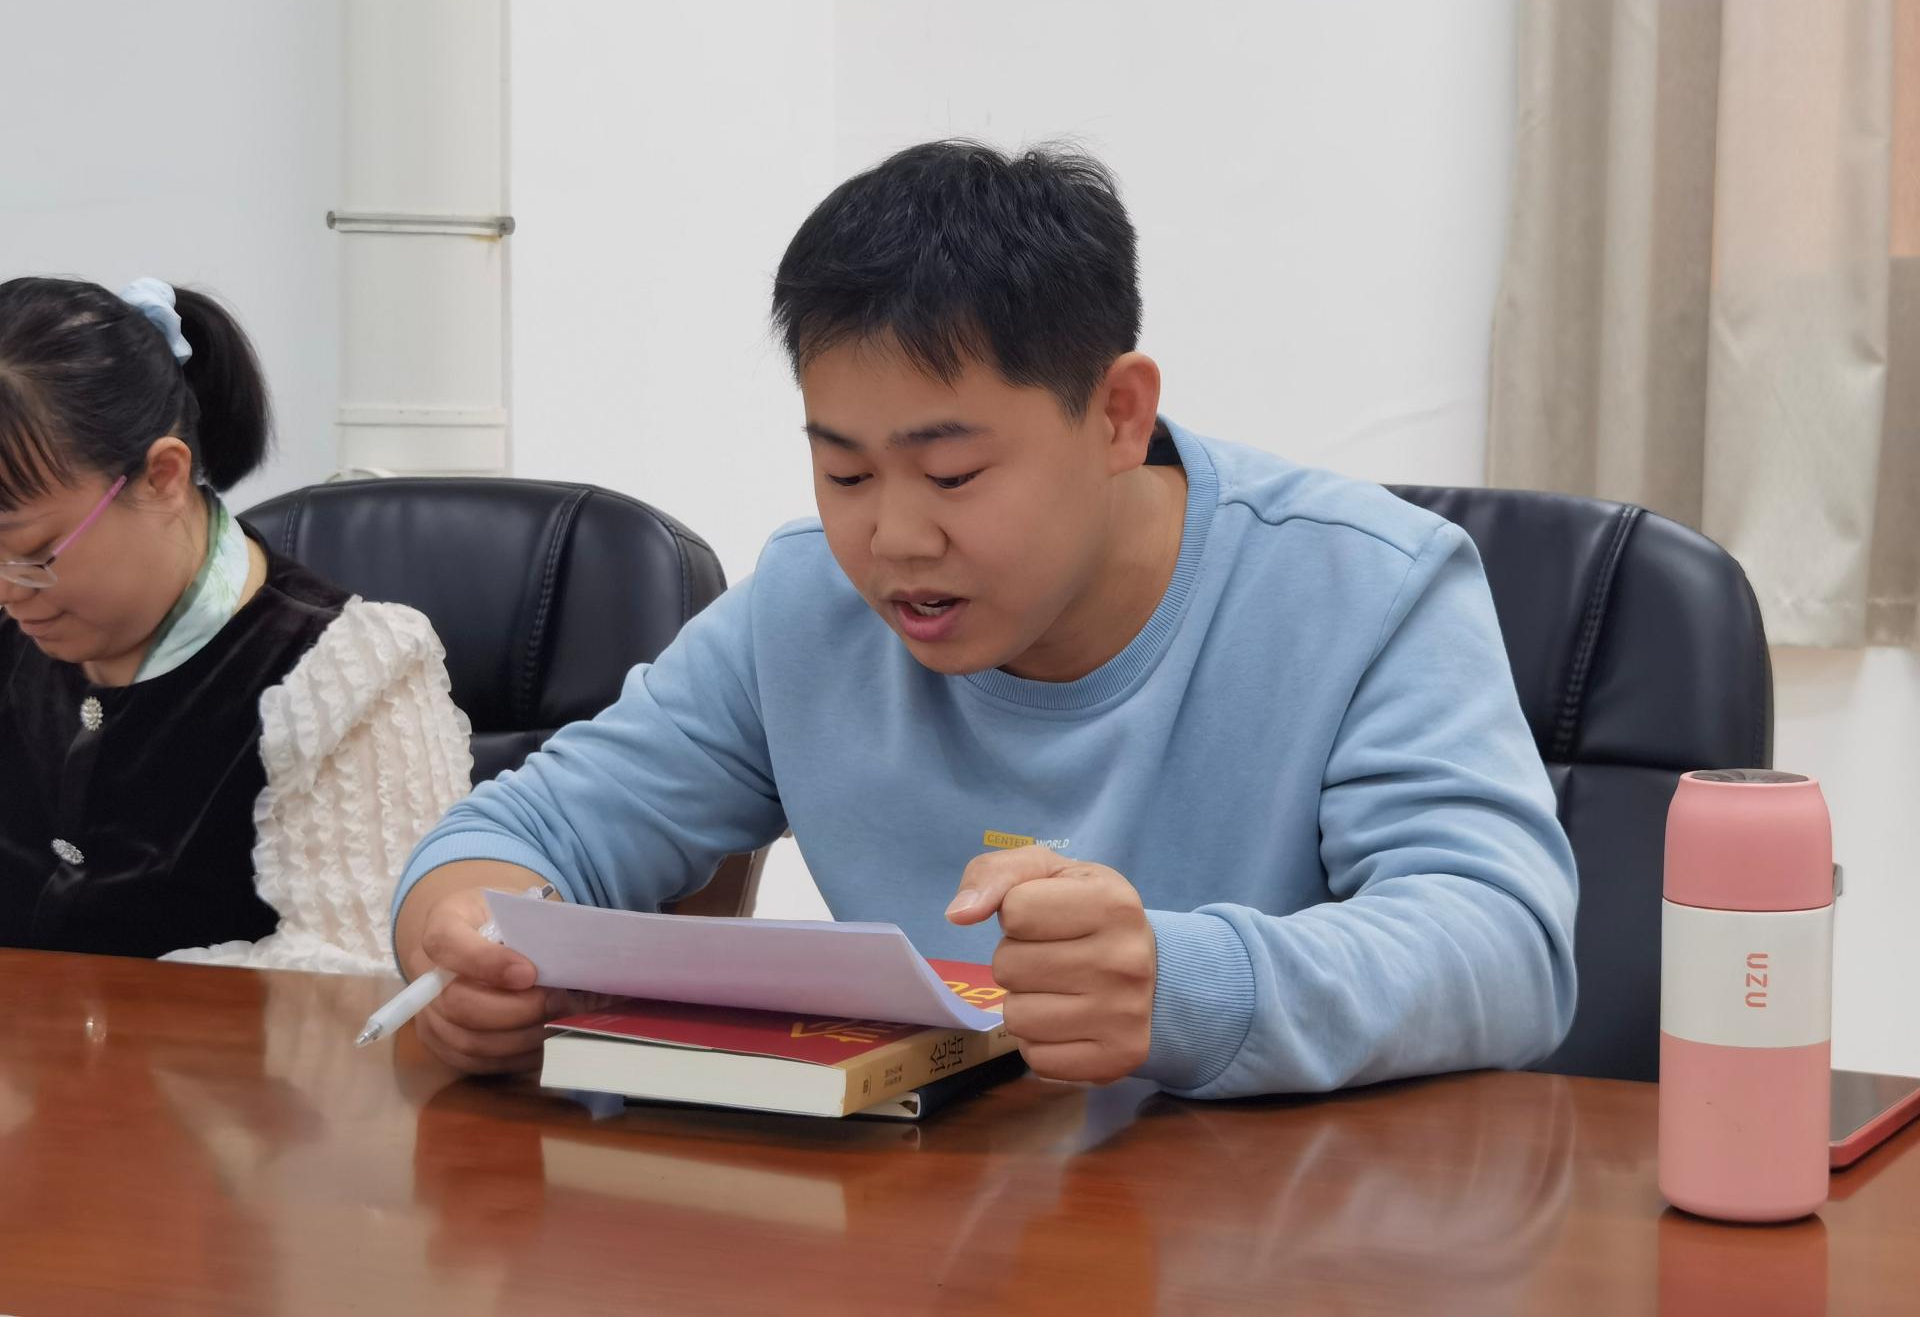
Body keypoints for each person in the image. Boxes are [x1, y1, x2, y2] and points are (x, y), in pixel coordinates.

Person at [391, 142, 1579, 1096]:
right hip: (928, 1225)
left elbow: (1505, 948)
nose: (894, 540)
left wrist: (1190, 982)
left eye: (953, 474)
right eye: (845, 473)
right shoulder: (809, 604)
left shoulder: (1367, 587)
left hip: (1273, 1240)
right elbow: (524, 831)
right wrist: (467, 946)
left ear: (1117, 414)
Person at [0, 276, 471, 971]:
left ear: (163, 476)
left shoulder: (344, 679)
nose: (10, 594)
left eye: (36, 554)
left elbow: (359, 973)